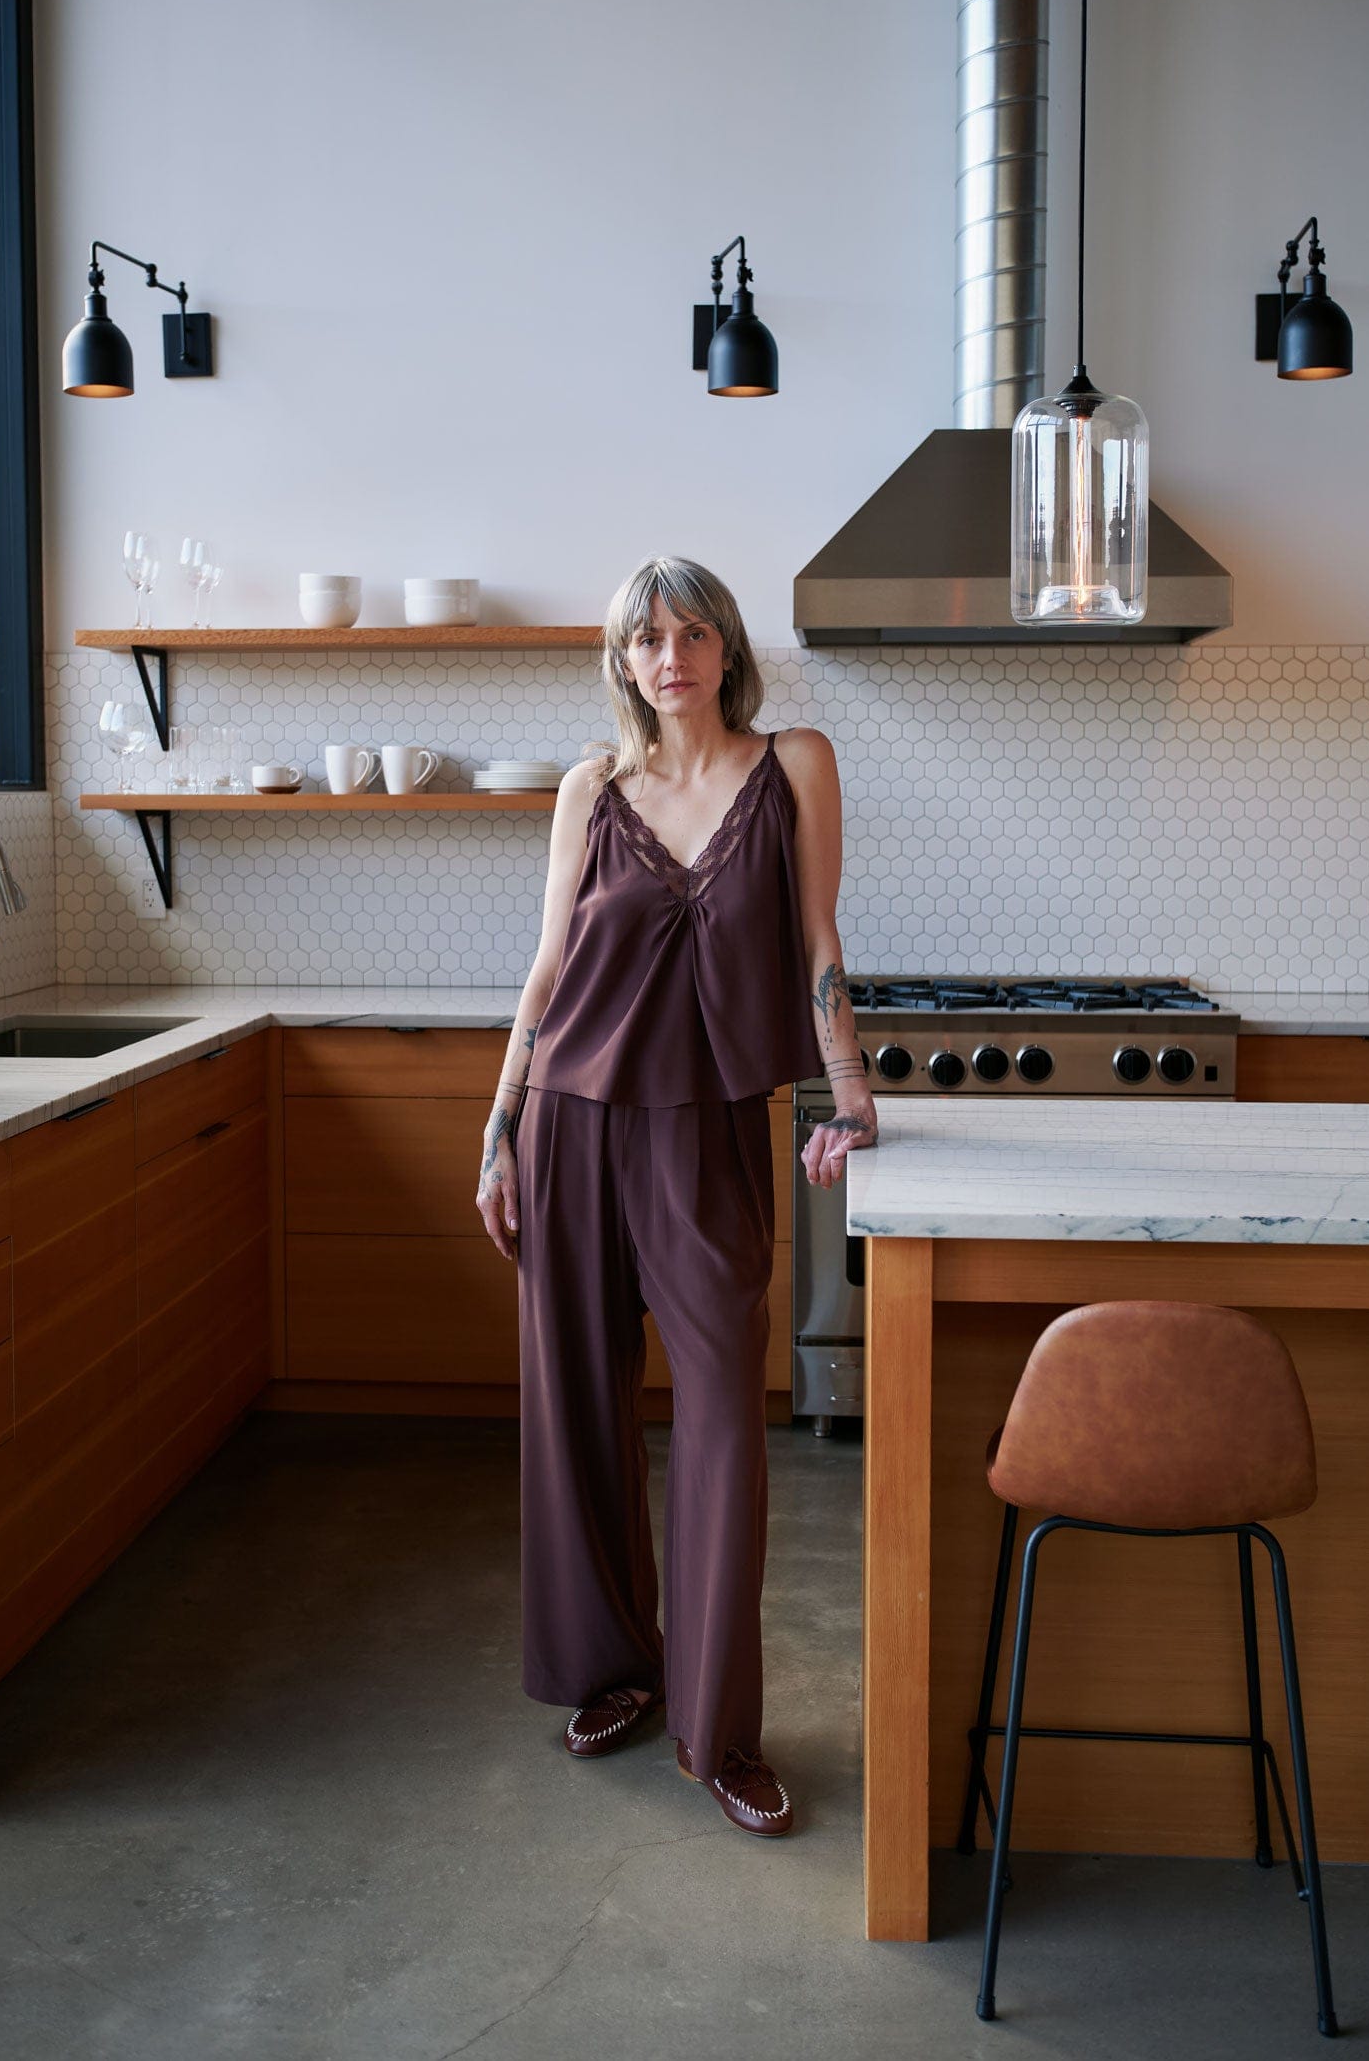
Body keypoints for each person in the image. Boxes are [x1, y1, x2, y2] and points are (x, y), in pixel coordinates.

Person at [474, 555, 877, 1838]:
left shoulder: (793, 763)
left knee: (718, 1427)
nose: (672, 656)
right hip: (569, 1128)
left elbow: (818, 946)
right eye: (649, 637)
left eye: (695, 632)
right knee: (578, 1413)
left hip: (705, 1137)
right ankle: (614, 1673)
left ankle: (722, 1731)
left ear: (727, 649)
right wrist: (497, 1138)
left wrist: (847, 1094)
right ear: (623, 661)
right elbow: (545, 976)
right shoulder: (591, 791)